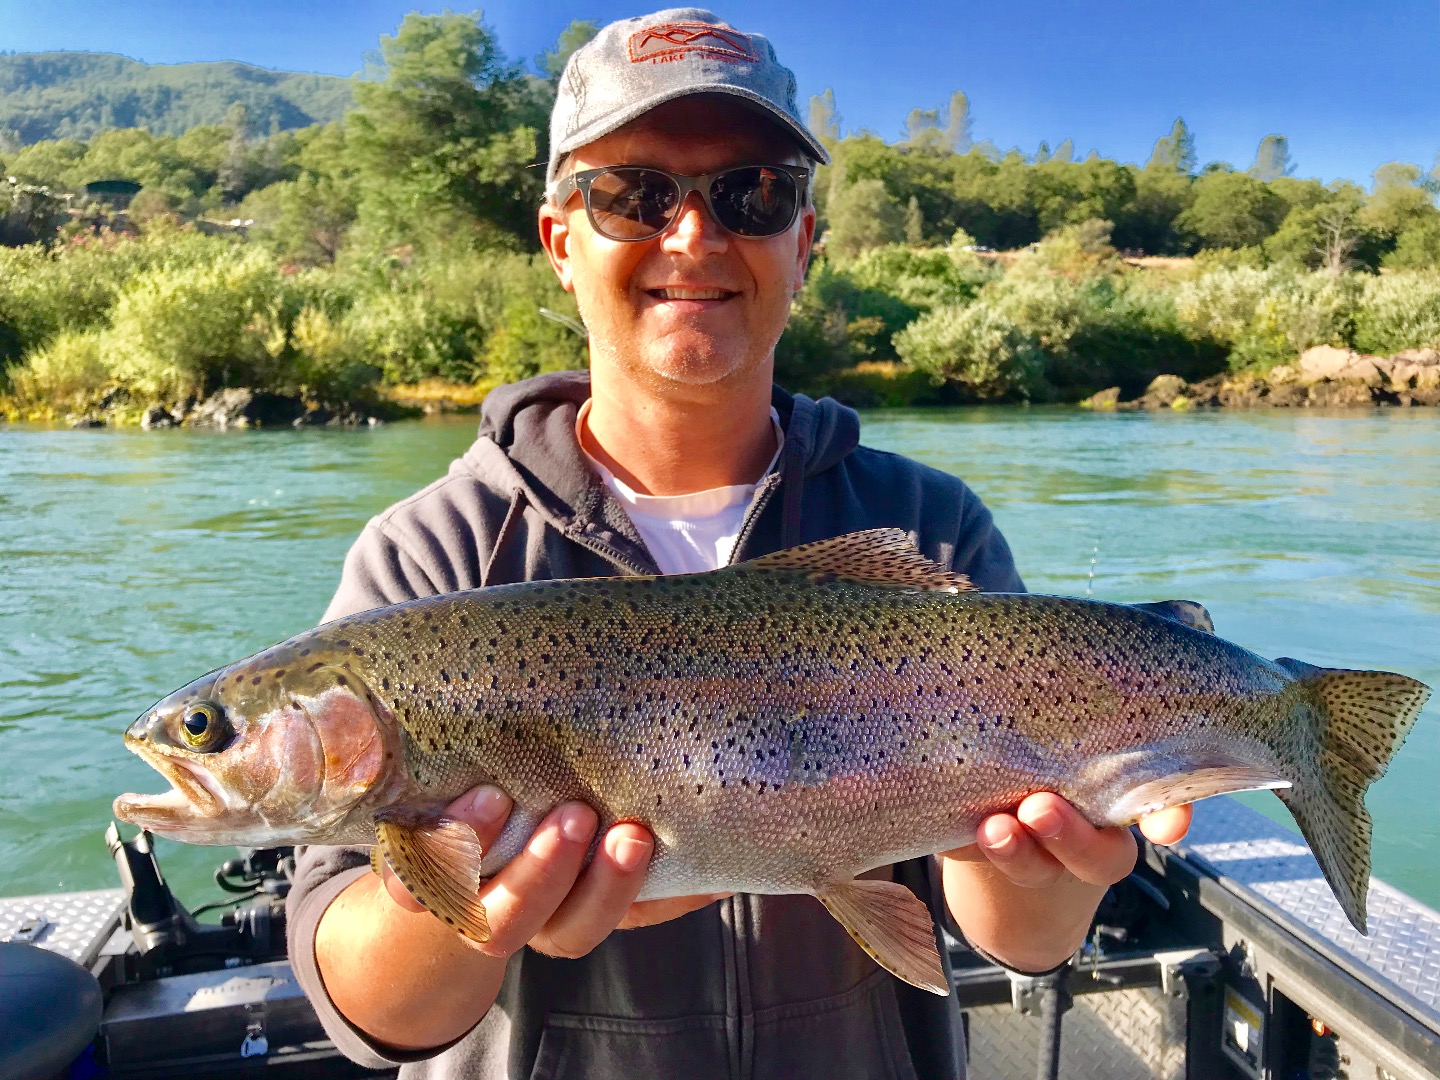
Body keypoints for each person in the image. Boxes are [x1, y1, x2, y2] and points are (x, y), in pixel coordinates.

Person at [287, 9, 1191, 1077]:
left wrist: (1048, 875)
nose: (693, 236)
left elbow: (1022, 941)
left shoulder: (929, 527)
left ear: (802, 241)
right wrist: (463, 913)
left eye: (749, 193)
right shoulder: (434, 561)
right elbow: (363, 999)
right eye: (634, 193)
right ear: (561, 239)